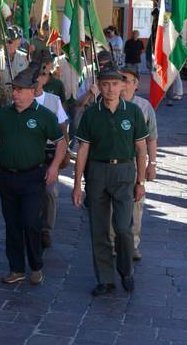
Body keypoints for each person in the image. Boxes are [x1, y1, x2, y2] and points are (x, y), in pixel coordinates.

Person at [72, 67, 148, 295]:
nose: (111, 89)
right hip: (97, 173)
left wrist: (141, 181)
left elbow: (141, 148)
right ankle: (105, 279)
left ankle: (126, 270)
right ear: (99, 85)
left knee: (123, 228)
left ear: (123, 86)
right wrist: (77, 184)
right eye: (105, 84)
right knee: (99, 229)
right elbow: (83, 150)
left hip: (124, 172)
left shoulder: (133, 112)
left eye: (115, 84)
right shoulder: (91, 114)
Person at [0, 67, 67, 285]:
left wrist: (53, 168)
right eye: (14, 89)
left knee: (31, 222)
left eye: (20, 90)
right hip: (6, 177)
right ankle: (16, 268)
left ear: (32, 92)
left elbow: (61, 143)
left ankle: (36, 266)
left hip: (33, 177)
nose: (15, 94)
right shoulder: (4, 114)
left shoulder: (44, 116)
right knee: (12, 224)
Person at [111, 67, 157, 261]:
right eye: (120, 79)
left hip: (135, 163)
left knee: (136, 205)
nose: (123, 83)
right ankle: (113, 244)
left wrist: (151, 164)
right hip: (112, 163)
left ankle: (133, 244)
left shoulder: (144, 107)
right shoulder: (109, 103)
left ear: (136, 84)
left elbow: (152, 138)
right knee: (111, 206)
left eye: (127, 80)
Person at [32, 52, 70, 248]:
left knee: (49, 191)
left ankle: (46, 229)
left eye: (41, 75)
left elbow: (63, 125)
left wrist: (66, 149)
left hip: (49, 151)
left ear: (46, 78)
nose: (37, 79)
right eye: (34, 75)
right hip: (28, 152)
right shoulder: (21, 99)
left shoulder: (53, 100)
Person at [0, 26, 29, 114]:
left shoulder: (24, 58)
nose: (7, 44)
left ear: (18, 42)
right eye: (6, 41)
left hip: (19, 103)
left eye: (10, 42)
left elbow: (29, 80)